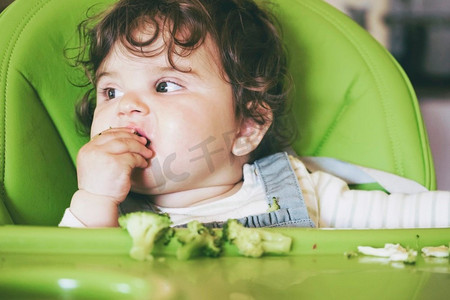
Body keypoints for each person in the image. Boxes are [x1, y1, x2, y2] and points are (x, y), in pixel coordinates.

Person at [59, 0, 450, 229]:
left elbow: (411, 218)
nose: (125, 105)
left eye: (165, 86)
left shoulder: (299, 192)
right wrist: (94, 197)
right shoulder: (104, 211)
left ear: (247, 126)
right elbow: (72, 275)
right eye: (110, 91)